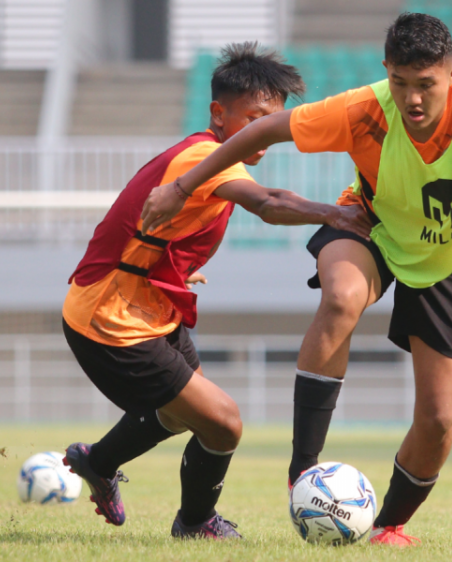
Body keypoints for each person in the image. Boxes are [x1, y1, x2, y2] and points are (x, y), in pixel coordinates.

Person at [140, 14, 452, 546]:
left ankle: (390, 525)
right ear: (386, 71)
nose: (412, 98)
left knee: (437, 419)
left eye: (426, 84)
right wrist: (182, 186)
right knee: (341, 298)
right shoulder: (362, 109)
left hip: (450, 262)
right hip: (370, 227)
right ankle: (304, 471)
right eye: (400, 82)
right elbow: (267, 129)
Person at [60, 42, 371, 540]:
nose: (265, 132)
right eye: (254, 118)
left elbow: (141, 226)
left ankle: (98, 462)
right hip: (110, 320)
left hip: (150, 304)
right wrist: (335, 213)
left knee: (189, 416)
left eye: (273, 121)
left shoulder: (203, 155)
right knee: (223, 423)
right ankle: (195, 524)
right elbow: (268, 202)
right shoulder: (208, 155)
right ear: (218, 114)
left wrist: (171, 267)